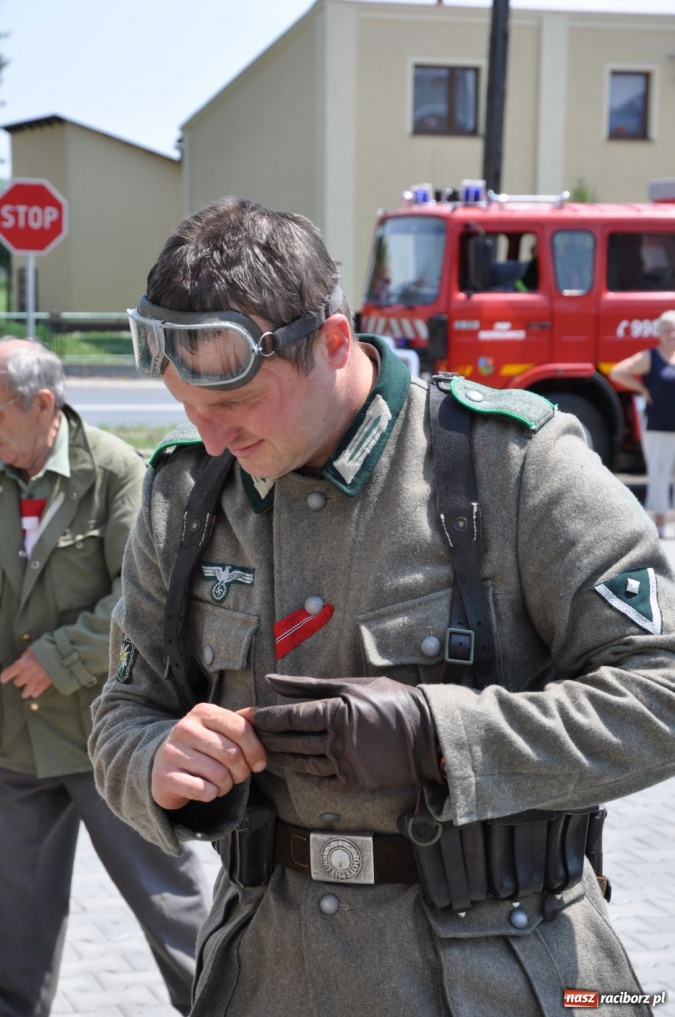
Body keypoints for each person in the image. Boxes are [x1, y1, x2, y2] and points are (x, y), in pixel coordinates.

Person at [89, 198, 675, 1017]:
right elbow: (123, 711)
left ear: (331, 343)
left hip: (496, 972)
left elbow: (661, 690)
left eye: (235, 405)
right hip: (270, 973)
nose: (212, 439)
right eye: (190, 409)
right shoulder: (186, 490)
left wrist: (441, 738)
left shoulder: (508, 464)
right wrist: (158, 761)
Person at [0, 338, 211, 1017]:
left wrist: (60, 657)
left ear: (41, 405)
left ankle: (222, 1003)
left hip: (106, 738)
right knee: (15, 926)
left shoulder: (119, 471)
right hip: (15, 743)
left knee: (171, 907)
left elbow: (139, 595)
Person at [609, 310, 675, 538]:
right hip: (658, 422)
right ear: (659, 333)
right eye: (667, 330)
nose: (672, 334)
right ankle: (660, 520)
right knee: (659, 470)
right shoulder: (650, 357)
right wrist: (642, 389)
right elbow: (618, 372)